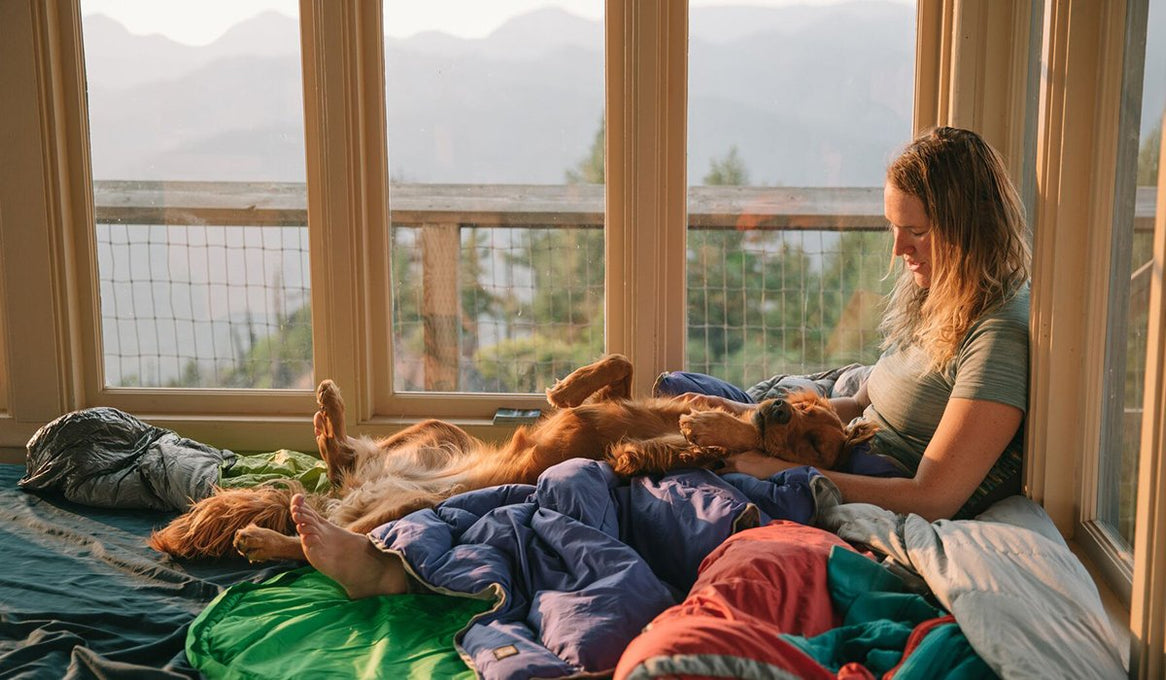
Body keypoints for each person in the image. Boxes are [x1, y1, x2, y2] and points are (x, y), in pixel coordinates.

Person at [712, 126, 1031, 522]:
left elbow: (932, 498)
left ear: (972, 229)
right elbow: (861, 404)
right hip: (838, 452)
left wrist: (780, 472)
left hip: (845, 480)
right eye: (894, 228)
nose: (899, 249)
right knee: (687, 394)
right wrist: (742, 413)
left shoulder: (998, 335)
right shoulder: (937, 294)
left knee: (668, 490)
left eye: (917, 231)